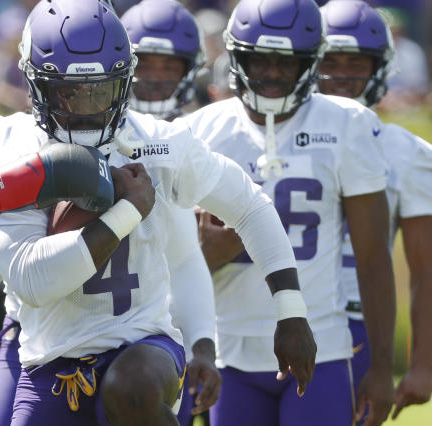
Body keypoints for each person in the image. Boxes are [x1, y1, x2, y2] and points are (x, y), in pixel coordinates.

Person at [0, 0, 317, 424]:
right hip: (52, 356)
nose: (88, 106)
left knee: (131, 389)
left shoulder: (162, 144)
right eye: (68, 92)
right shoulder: (13, 161)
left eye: (102, 89)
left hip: (143, 347)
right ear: (38, 86)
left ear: (125, 79)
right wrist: (128, 211)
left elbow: (250, 205)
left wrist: (291, 310)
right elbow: (33, 281)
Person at [182, 0, 396, 425]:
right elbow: (170, 259)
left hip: (323, 345)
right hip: (231, 351)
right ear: (235, 57)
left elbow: (374, 258)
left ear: (311, 62)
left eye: (286, 61)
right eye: (259, 58)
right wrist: (202, 252)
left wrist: (383, 368)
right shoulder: (200, 130)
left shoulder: (347, 124)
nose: (273, 72)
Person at [318, 0, 432, 420]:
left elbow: (425, 268)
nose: (342, 75)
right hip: (273, 316)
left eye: (356, 62)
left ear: (380, 67)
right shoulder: (272, 143)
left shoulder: (408, 153)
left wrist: (422, 364)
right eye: (332, 60)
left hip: (359, 325)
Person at [120, 1, 219, 424]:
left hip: (187, 322)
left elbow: (196, 254)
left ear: (190, 69)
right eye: (146, 65)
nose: (155, 79)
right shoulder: (93, 129)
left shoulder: (206, 134)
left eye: (169, 67)